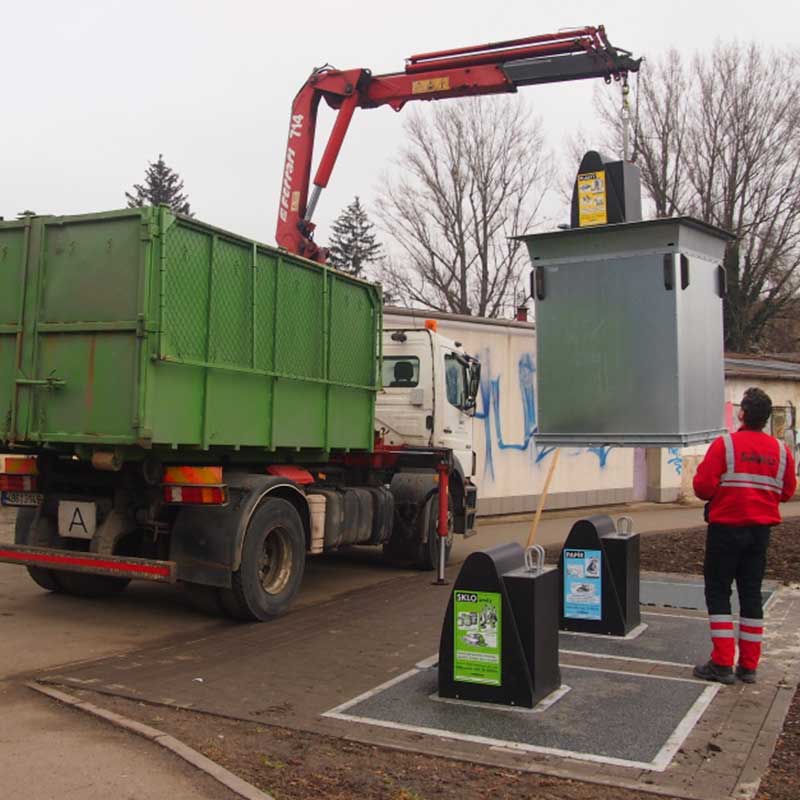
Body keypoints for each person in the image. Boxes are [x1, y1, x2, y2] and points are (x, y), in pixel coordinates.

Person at [692, 388, 796, 685]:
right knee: (751, 595)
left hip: (725, 530)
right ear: (765, 419)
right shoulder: (780, 451)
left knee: (718, 592)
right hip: (759, 534)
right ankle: (748, 666)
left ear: (742, 414)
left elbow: (702, 488)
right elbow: (787, 491)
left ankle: (722, 663)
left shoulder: (725, 446)